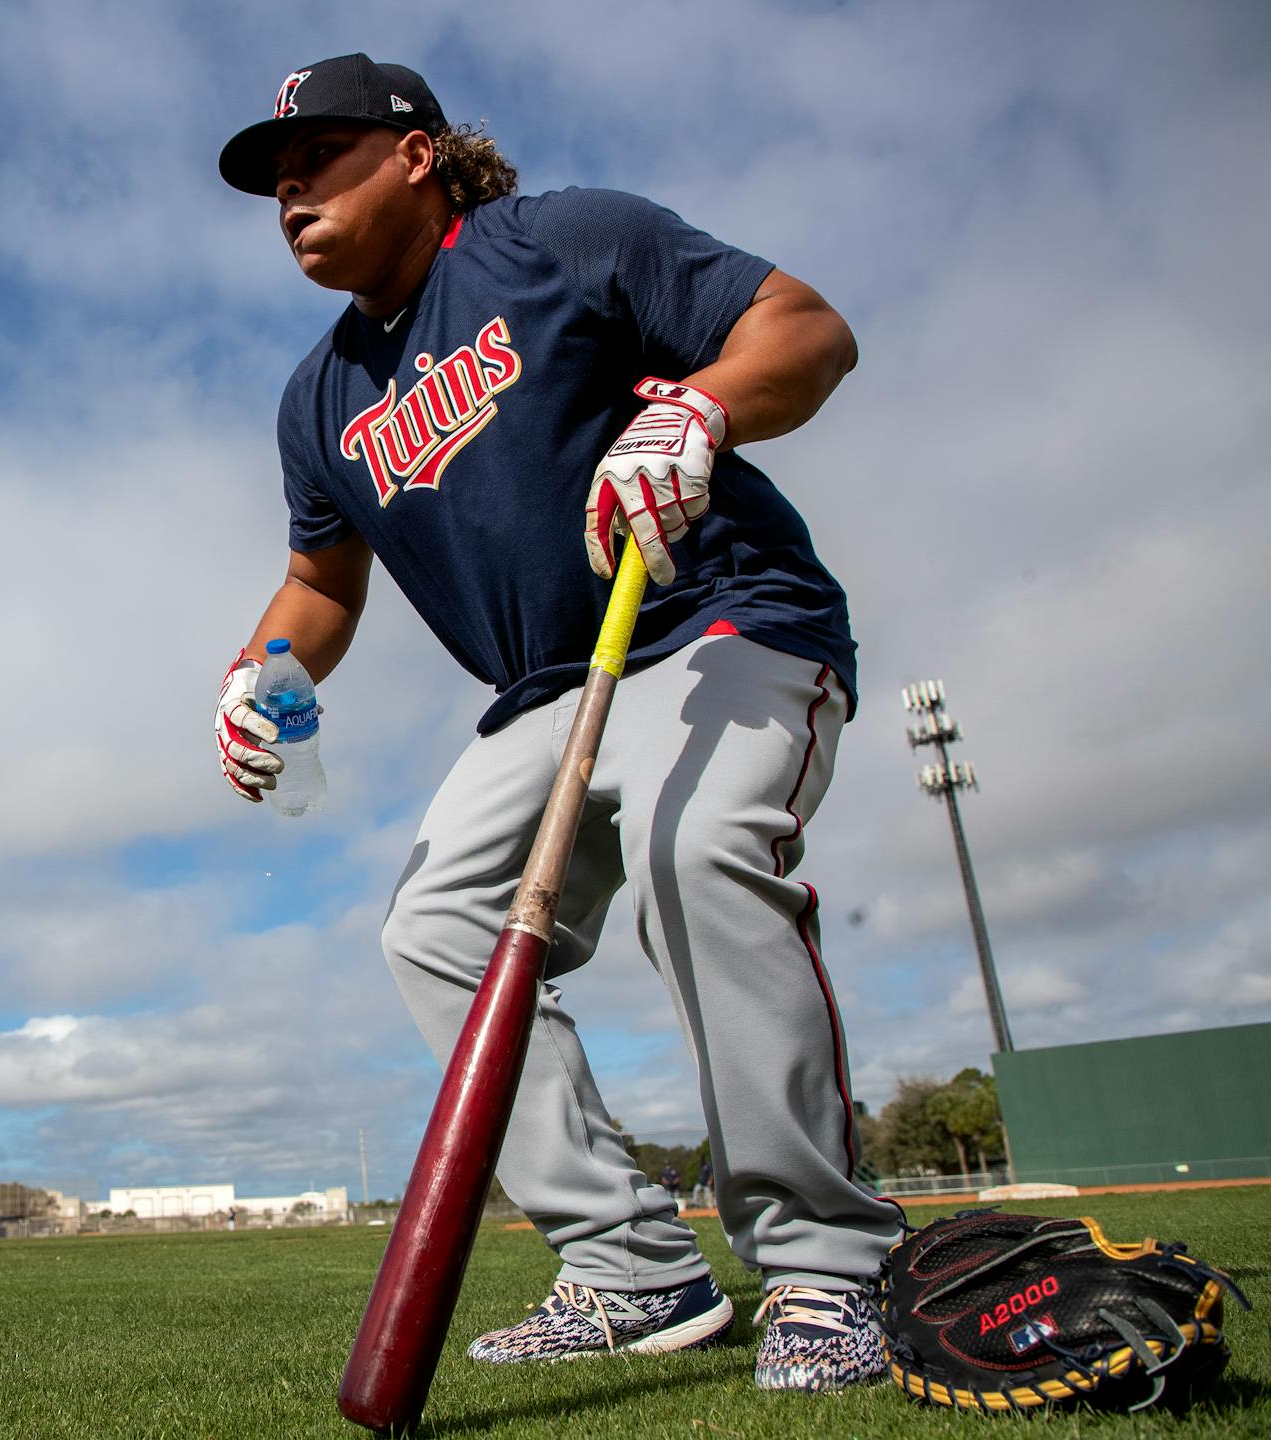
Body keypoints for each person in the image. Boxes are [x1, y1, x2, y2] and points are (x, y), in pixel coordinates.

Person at [212, 54, 902, 1392]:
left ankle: (828, 1264)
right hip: (540, 691)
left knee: (696, 855)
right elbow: (317, 589)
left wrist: (702, 405)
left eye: (322, 156)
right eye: (273, 184)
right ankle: (632, 1269)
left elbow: (809, 328)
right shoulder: (320, 396)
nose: (289, 190)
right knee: (434, 927)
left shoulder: (564, 239)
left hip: (717, 620)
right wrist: (259, 681)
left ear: (417, 154)